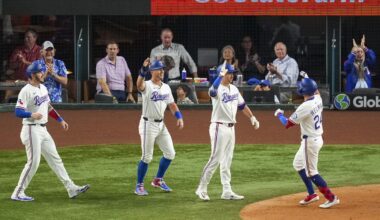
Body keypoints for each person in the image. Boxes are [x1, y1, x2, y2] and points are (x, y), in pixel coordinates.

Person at [11, 62, 89, 202]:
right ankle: (18, 192)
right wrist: (31, 114)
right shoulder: (26, 90)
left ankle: (71, 188)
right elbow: (17, 111)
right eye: (39, 72)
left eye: (42, 71)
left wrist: (60, 120)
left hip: (43, 130)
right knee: (33, 162)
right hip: (30, 129)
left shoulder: (43, 88)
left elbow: (48, 107)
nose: (42, 74)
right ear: (32, 75)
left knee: (55, 159)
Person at [195, 63, 260, 201]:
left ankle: (227, 190)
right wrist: (219, 76)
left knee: (227, 161)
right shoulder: (217, 89)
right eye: (229, 73)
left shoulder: (234, 89)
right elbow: (211, 91)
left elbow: (242, 106)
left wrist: (252, 117)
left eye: (232, 73)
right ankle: (201, 188)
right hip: (219, 127)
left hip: (231, 128)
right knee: (215, 159)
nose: (232, 75)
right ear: (222, 74)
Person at [274, 74, 340, 209]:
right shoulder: (318, 98)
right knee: (298, 164)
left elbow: (287, 123)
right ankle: (312, 194)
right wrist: (308, 78)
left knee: (312, 173)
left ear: (303, 92)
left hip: (310, 142)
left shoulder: (305, 107)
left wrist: (279, 114)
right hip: (317, 138)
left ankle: (331, 197)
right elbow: (314, 90)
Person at [134, 58, 184, 196]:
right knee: (146, 157)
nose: (162, 71)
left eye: (162, 69)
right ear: (152, 71)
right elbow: (138, 85)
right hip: (147, 124)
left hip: (161, 124)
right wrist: (142, 71)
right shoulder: (147, 85)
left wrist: (179, 117)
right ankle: (139, 185)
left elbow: (172, 104)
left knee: (170, 153)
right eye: (159, 69)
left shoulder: (166, 87)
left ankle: (158, 180)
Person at [4, 29, 41, 102]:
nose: (25, 39)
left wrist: (25, 62)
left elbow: (40, 66)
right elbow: (11, 66)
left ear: (35, 38)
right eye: (25, 37)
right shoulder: (18, 50)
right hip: (19, 81)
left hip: (34, 82)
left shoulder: (40, 50)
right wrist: (18, 62)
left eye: (28, 37)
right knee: (7, 96)